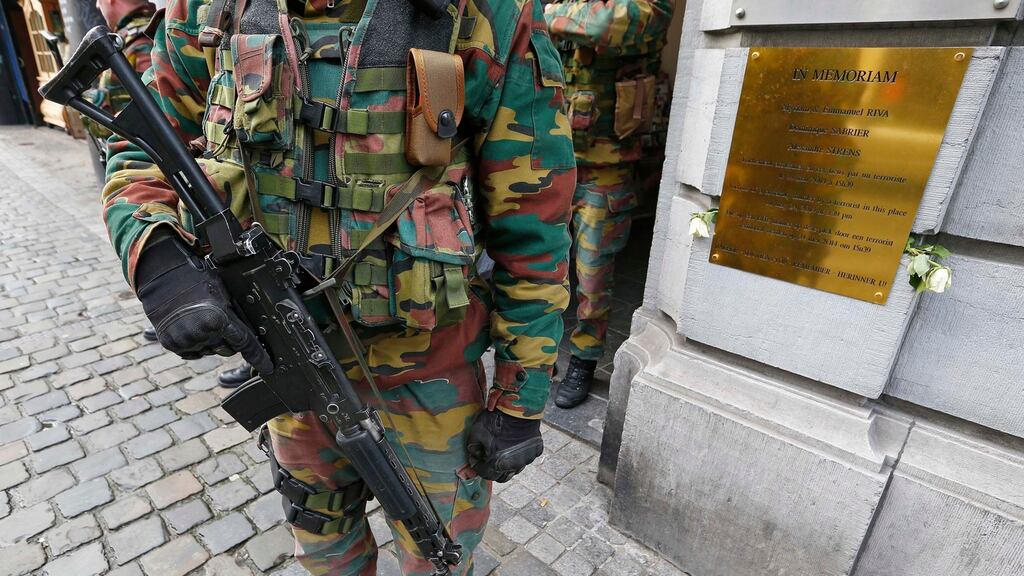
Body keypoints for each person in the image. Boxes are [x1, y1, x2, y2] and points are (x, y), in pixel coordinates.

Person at [101, 0, 575, 573]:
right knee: (324, 553)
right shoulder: (207, 9)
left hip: (432, 377)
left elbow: (534, 222)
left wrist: (521, 397)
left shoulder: (483, 13)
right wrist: (159, 263)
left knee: (439, 557)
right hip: (287, 359)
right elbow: (137, 142)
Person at [545, 0, 674, 409]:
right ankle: (538, 355)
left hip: (607, 168)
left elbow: (602, 25)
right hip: (551, 157)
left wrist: (547, 15)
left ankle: (583, 357)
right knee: (540, 264)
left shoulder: (648, 7)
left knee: (592, 272)